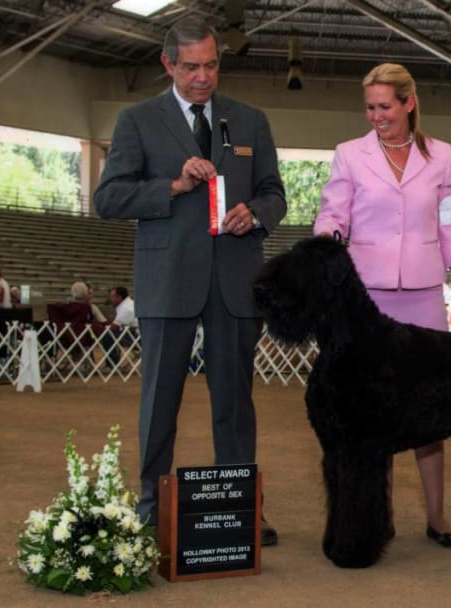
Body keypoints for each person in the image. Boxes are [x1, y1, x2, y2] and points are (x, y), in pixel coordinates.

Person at [94, 17, 286, 545]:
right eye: (191, 67)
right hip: (167, 278)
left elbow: (275, 194)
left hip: (234, 279)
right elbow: (107, 198)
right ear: (167, 64)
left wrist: (256, 214)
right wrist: (172, 186)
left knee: (234, 403)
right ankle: (151, 508)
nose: (203, 77)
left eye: (211, 65)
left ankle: (240, 508)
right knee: (159, 403)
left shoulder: (250, 121)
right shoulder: (137, 120)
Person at [313, 62, 451, 549]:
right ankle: (376, 519)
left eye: (384, 106)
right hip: (367, 297)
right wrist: (328, 246)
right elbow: (332, 212)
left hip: (427, 292)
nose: (375, 116)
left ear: (408, 103)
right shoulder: (348, 155)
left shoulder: (442, 156)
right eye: (369, 107)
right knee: (371, 413)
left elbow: (449, 223)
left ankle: (438, 517)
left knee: (431, 408)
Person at [101, 286, 138, 370]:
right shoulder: (129, 304)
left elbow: (113, 328)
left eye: (112, 296)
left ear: (119, 297)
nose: (110, 299)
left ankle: (111, 365)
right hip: (136, 334)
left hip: (137, 338)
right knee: (111, 335)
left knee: (108, 336)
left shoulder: (126, 308)